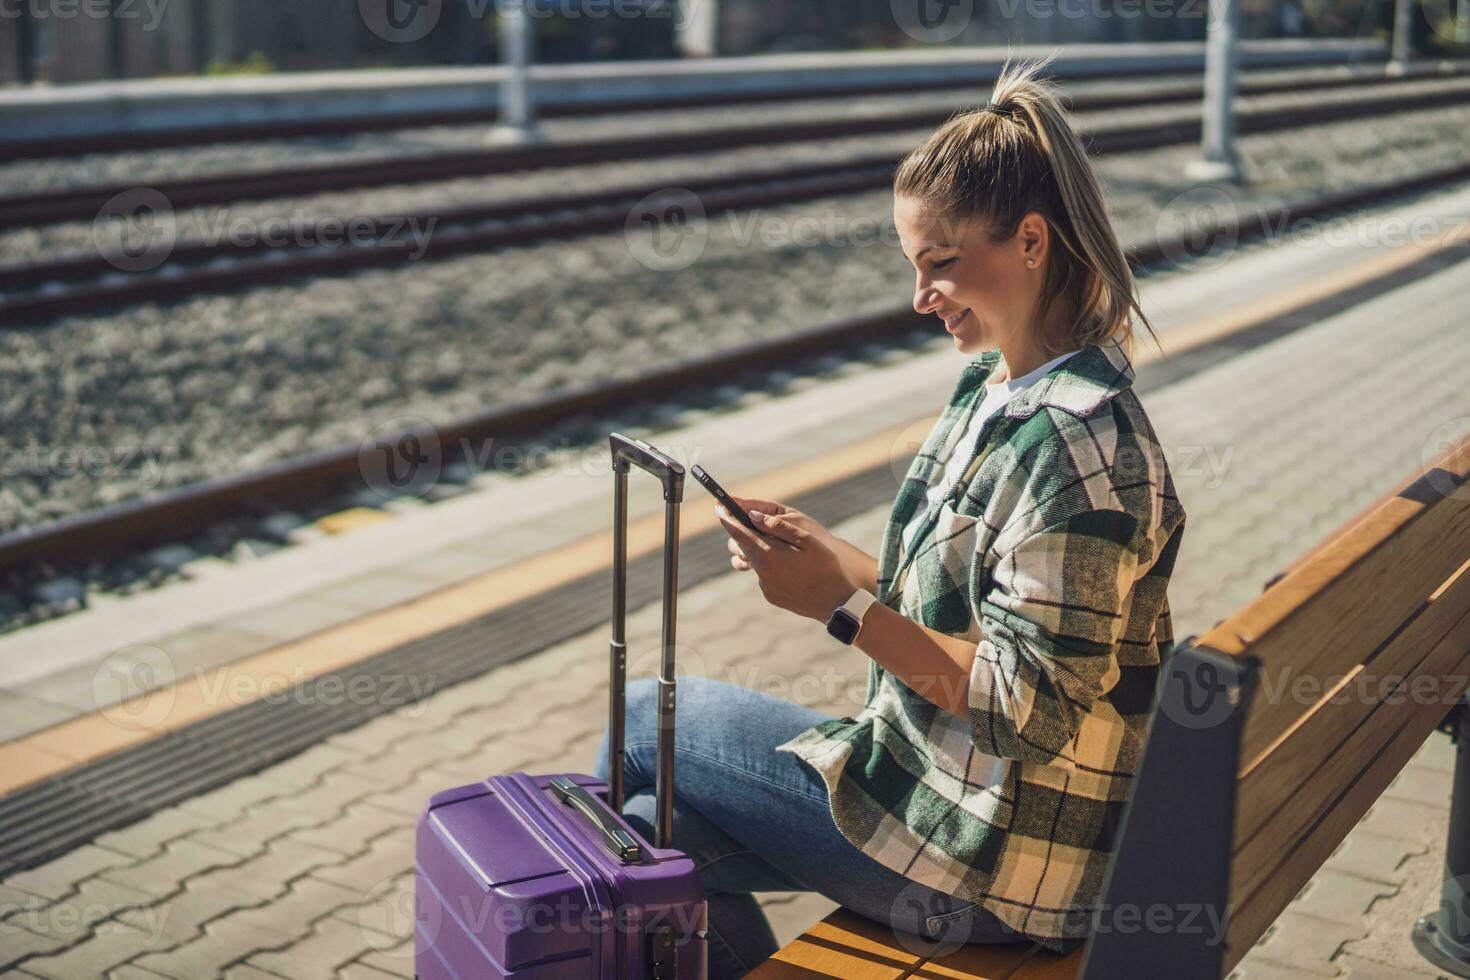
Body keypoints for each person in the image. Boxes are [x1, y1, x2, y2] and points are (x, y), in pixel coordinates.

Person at [593, 57, 1187, 978]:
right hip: (961, 800)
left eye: (940, 265)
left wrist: (840, 609)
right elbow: (984, 605)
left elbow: (1027, 713)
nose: (921, 299)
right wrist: (833, 560)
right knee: (647, 831)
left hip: (1001, 860)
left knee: (640, 726)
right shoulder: (998, 387)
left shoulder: (1074, 447)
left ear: (1032, 241)